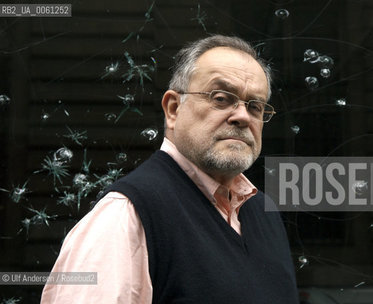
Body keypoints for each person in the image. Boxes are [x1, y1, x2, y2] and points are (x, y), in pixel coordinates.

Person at [41, 35, 299, 303]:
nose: (243, 116)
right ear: (174, 109)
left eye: (255, 106)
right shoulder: (128, 214)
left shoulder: (263, 213)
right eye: (221, 98)